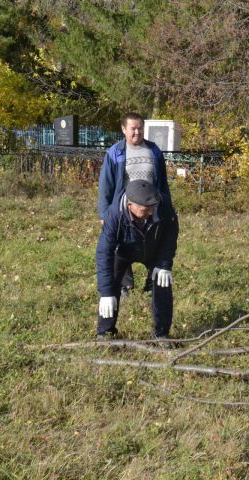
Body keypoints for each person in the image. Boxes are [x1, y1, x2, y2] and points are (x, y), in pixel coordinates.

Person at [97, 112, 172, 295]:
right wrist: (103, 213)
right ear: (124, 129)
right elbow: (106, 184)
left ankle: (151, 282)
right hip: (125, 209)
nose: (137, 132)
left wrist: (166, 206)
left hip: (150, 207)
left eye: (140, 128)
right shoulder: (116, 152)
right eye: (133, 128)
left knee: (153, 243)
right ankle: (125, 284)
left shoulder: (154, 151)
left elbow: (162, 182)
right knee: (122, 246)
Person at [96, 180, 179, 342]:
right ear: (129, 205)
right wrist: (105, 293)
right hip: (124, 250)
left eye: (153, 208)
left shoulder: (163, 205)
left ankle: (161, 335)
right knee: (110, 285)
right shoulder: (114, 215)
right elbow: (104, 251)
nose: (151, 212)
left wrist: (164, 263)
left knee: (163, 283)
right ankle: (105, 332)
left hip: (154, 251)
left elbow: (171, 235)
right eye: (145, 209)